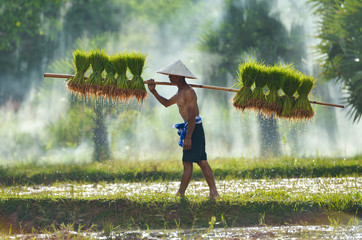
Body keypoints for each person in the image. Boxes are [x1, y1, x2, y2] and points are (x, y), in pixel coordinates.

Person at [147, 60, 220, 199]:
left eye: (171, 75)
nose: (169, 78)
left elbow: (192, 115)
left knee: (200, 162)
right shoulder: (180, 92)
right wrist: (154, 91)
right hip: (190, 128)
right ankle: (188, 194)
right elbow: (167, 103)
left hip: (194, 128)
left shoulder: (188, 92)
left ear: (179, 77)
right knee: (193, 162)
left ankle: (208, 193)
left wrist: (188, 137)